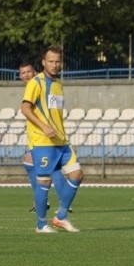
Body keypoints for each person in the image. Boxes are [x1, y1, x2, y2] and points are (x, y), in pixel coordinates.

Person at [20, 46, 84, 233]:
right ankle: (41, 225)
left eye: (57, 61)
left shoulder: (58, 84)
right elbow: (25, 109)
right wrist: (44, 127)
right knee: (44, 182)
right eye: (51, 61)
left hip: (61, 141)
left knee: (77, 174)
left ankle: (61, 216)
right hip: (43, 141)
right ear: (43, 63)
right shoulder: (36, 83)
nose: (55, 65)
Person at [18, 59, 69, 214]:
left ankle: (59, 201)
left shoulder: (40, 85)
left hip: (42, 136)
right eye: (23, 73)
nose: (26, 75)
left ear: (35, 72)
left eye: (29, 71)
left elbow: (29, 110)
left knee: (51, 168)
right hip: (38, 134)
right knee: (32, 163)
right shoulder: (39, 86)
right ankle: (48, 200)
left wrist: (46, 127)